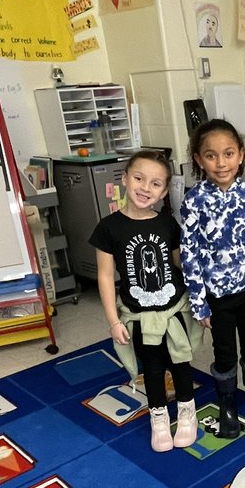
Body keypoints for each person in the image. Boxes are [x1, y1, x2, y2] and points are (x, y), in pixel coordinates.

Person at [91, 150, 201, 452]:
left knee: (181, 363)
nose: (145, 188)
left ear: (164, 191)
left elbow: (183, 263)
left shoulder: (167, 223)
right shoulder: (108, 228)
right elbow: (104, 276)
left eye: (155, 184)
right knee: (151, 369)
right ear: (125, 179)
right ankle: (159, 418)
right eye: (139, 178)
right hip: (140, 315)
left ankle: (187, 413)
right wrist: (114, 320)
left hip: (174, 310)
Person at [180, 119, 245, 439]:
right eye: (211, 155)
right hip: (216, 296)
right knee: (223, 352)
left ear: (241, 155)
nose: (220, 163)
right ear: (198, 159)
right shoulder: (194, 200)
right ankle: (227, 402)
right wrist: (199, 303)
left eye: (228, 154)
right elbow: (189, 253)